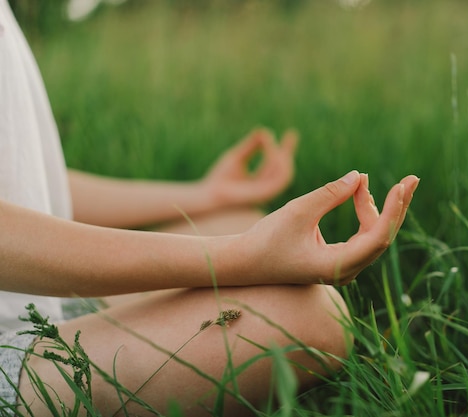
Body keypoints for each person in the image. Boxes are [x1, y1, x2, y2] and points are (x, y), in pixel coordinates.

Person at [0, 1, 419, 416]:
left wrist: (206, 194)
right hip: (11, 338)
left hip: (37, 296)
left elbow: (34, 181)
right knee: (307, 317)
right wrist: (244, 257)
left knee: (233, 221)